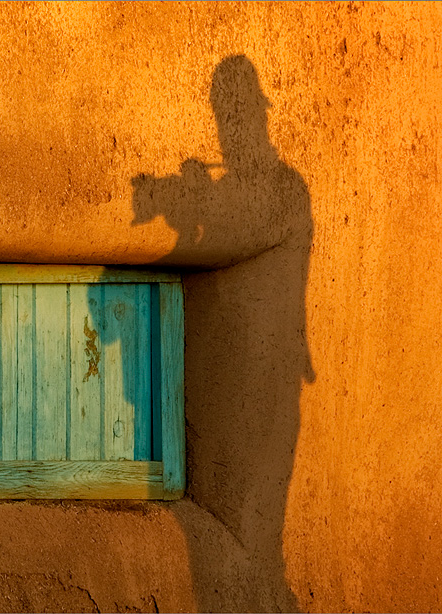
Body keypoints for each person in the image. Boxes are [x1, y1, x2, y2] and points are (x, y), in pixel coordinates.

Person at [130, 55, 314, 610]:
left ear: (259, 112)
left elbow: (242, 223)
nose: (231, 128)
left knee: (257, 549)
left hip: (269, 394)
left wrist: (191, 203)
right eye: (223, 114)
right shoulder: (246, 187)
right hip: (237, 389)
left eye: (236, 112)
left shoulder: (284, 189)